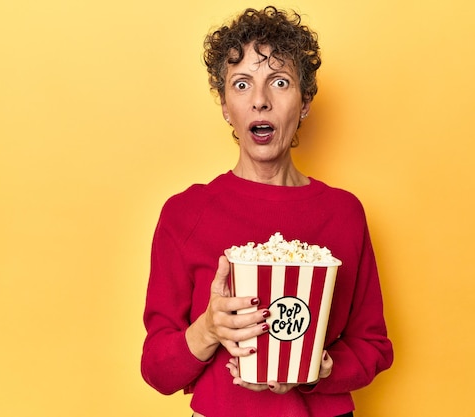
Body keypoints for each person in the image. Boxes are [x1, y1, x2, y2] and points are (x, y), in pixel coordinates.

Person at [141, 6, 393, 417]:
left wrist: (318, 368)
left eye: (279, 82)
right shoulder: (185, 214)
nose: (260, 101)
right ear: (225, 106)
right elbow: (157, 371)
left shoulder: (344, 212)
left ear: (306, 101)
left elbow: (373, 346)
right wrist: (208, 328)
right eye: (241, 85)